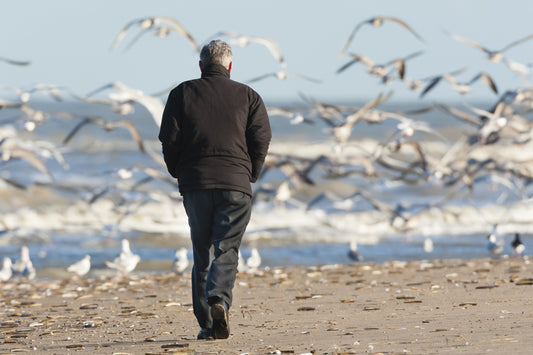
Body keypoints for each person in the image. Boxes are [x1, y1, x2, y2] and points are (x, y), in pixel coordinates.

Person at [158, 39, 271, 340]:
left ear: (200, 66)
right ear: (230, 66)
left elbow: (168, 140)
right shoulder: (249, 96)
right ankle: (219, 300)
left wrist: (179, 172)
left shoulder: (181, 93)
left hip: (196, 184)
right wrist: (251, 174)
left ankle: (209, 324)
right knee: (226, 248)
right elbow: (261, 139)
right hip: (236, 184)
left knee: (202, 252)